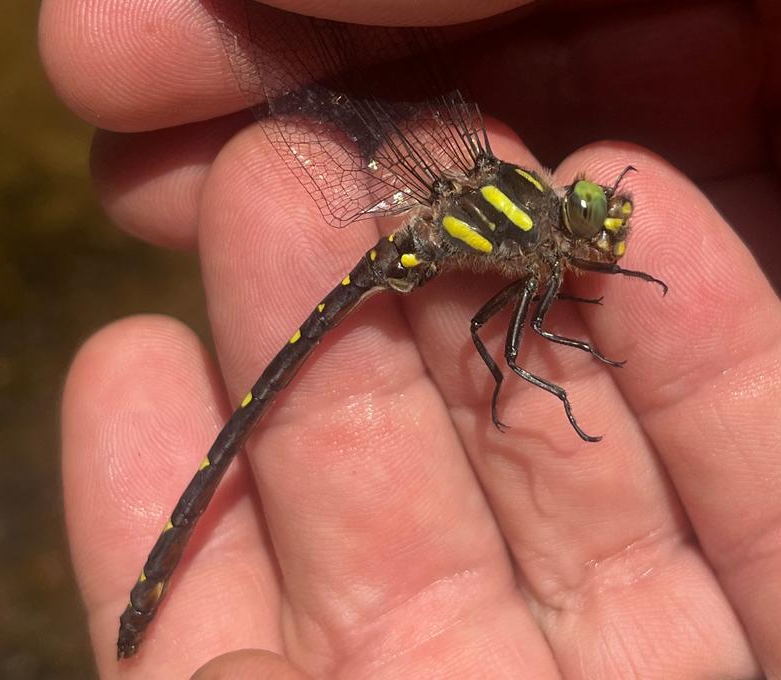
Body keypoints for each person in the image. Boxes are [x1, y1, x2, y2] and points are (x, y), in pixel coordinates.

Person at [40, 0, 781, 677]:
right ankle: (153, 589)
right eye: (592, 213)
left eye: (595, 212)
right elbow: (523, 336)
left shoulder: (538, 236)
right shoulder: (542, 249)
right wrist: (567, 370)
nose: (599, 218)